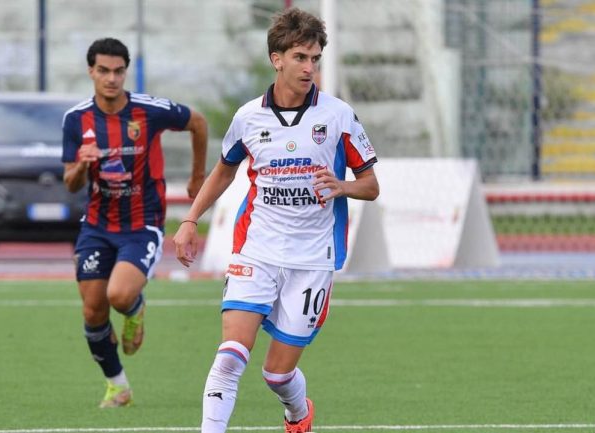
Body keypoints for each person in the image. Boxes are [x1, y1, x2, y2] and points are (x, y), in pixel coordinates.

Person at [173, 8, 379, 433]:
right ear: (277, 58)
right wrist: (191, 219)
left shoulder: (337, 115)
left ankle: (298, 412)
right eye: (301, 57)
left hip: (312, 258)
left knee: (277, 375)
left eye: (315, 59)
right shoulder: (249, 117)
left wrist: (341, 186)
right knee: (230, 356)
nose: (309, 68)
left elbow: (371, 185)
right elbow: (225, 169)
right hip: (257, 248)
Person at [62, 37, 208, 408]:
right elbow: (71, 182)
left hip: (142, 222)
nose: (111, 78)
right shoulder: (76, 119)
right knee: (93, 310)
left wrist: (196, 177)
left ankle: (135, 308)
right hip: (96, 224)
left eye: (118, 71)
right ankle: (118, 386)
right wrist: (82, 163)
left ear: (125, 72)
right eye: (104, 71)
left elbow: (198, 122)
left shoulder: (149, 111)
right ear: (91, 71)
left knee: (119, 295)